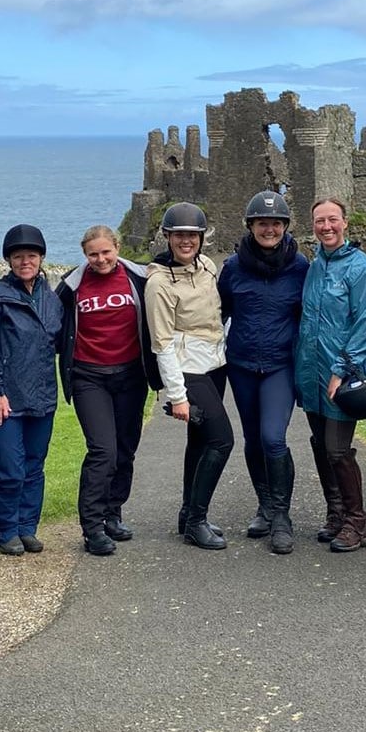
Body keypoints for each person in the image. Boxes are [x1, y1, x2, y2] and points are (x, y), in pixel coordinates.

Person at [58, 225, 162, 557]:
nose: (100, 259)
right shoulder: (71, 286)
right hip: (90, 377)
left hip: (131, 374)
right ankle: (92, 528)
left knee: (125, 450)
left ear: (117, 247)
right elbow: (51, 325)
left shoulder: (141, 278)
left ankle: (113, 512)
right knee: (102, 450)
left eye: (106, 252)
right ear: (84, 255)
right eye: (93, 254)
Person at [218, 190, 309, 555]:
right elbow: (218, 314)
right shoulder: (233, 267)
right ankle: (265, 506)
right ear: (251, 226)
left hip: (279, 365)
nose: (268, 229)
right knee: (253, 440)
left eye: (275, 223)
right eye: (261, 223)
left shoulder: (301, 266)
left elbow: (310, 314)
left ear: (285, 227)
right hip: (241, 364)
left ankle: (282, 517)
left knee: (273, 438)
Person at [0, 224, 63, 556]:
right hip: (4, 400)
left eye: (32, 256)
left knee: (34, 466)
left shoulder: (51, 300)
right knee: (9, 468)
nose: (26, 261)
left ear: (41, 259)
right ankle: (6, 530)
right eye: (19, 256)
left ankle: (27, 527)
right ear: (9, 260)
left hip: (40, 397)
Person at [145, 202, 235, 550]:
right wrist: (177, 395)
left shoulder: (208, 267)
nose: (186, 241)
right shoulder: (158, 284)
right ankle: (197, 521)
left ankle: (188, 514)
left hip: (214, 366)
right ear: (168, 237)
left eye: (192, 235)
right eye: (179, 235)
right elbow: (162, 344)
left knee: (199, 442)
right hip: (187, 370)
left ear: (201, 239)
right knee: (221, 440)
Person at [294, 197, 366, 553]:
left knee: (338, 448)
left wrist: (341, 369)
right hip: (310, 370)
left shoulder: (361, 268)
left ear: (345, 223)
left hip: (342, 373)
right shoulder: (315, 265)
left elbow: (365, 323)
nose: (326, 227)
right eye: (319, 221)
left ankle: (356, 522)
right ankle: (335, 513)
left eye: (332, 220)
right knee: (320, 444)